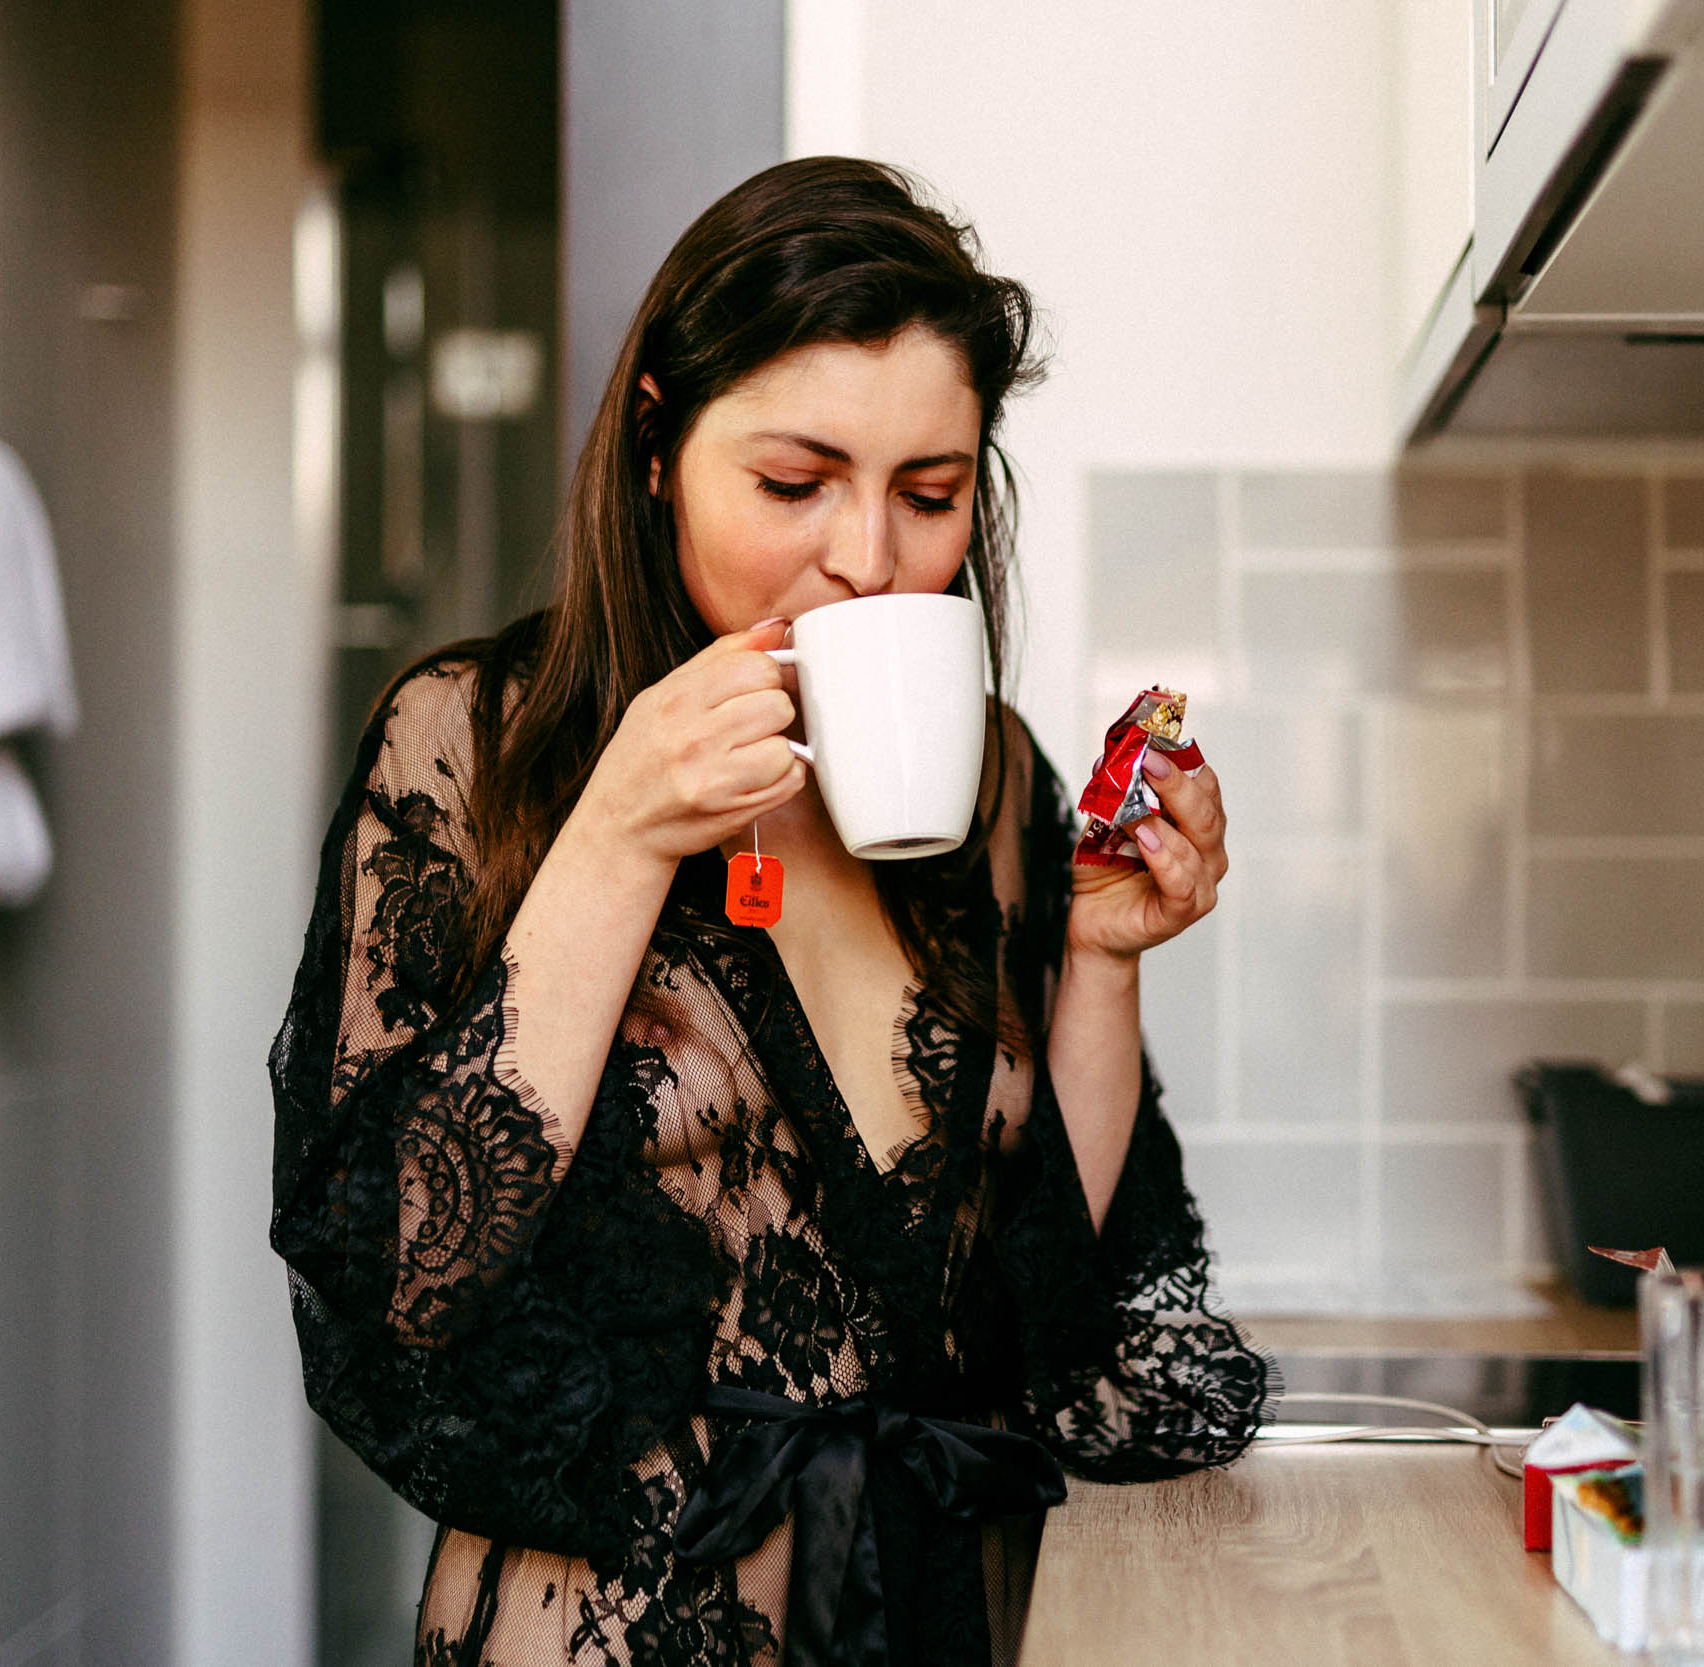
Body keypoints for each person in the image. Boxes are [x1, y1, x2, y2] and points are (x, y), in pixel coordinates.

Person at [269, 157, 1270, 1667]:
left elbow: (1037, 1290)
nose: (868, 559)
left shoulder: (992, 785)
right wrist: (616, 832)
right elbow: (404, 1268)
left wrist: (1104, 967)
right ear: (661, 447)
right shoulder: (474, 744)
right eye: (795, 485)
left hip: (933, 1615)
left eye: (929, 496)